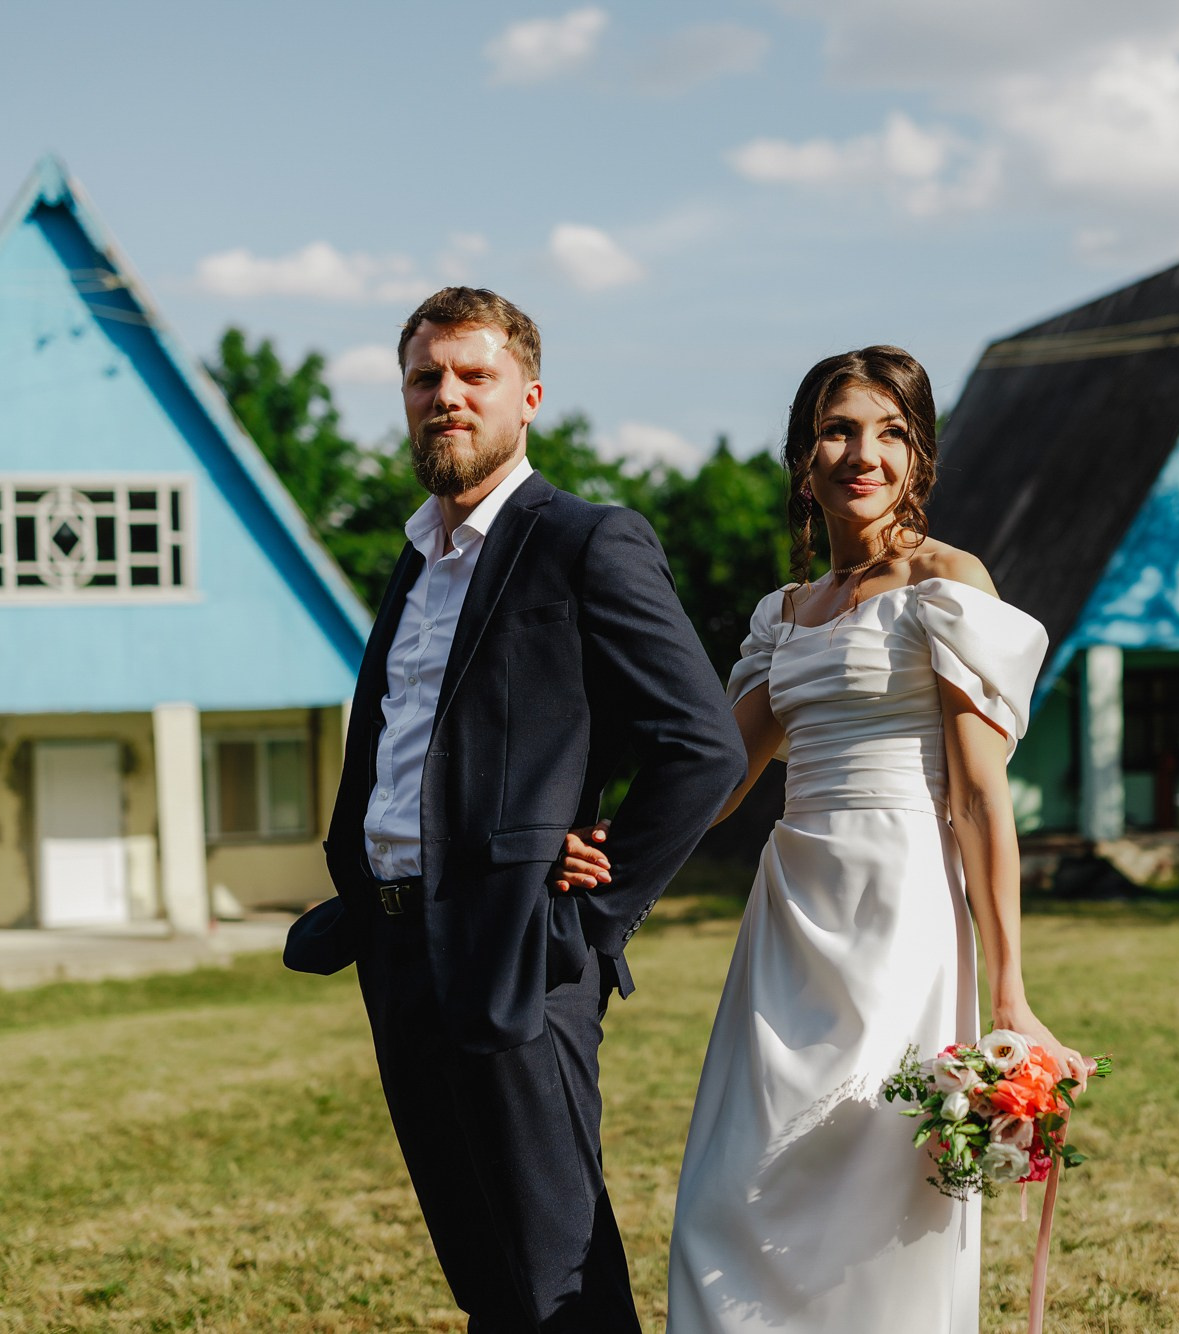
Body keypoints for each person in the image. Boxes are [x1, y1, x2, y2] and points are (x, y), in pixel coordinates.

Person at [562, 345, 1091, 1330]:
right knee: (732, 1189)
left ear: (918, 457)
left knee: (879, 1178)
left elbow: (979, 798)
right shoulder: (782, 615)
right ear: (802, 462)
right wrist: (606, 830)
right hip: (789, 914)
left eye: (890, 432)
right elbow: (719, 779)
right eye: (839, 430)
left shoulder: (945, 582)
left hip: (905, 911)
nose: (863, 452)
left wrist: (1009, 990)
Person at [284, 287, 744, 1333]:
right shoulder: (413, 556)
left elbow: (701, 743)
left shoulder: (584, 540)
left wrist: (591, 906)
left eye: (471, 375)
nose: (444, 395)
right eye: (423, 377)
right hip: (399, 953)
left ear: (526, 396)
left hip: (520, 954)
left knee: (555, 1274)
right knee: (480, 1268)